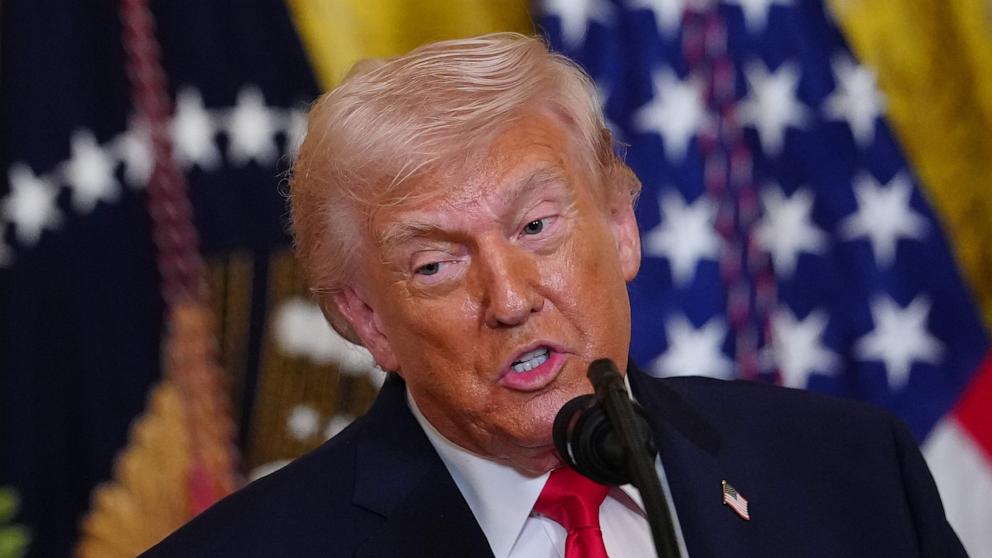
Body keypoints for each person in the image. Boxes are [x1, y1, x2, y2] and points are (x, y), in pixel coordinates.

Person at [144, 33, 966, 557]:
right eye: (435, 266)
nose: (509, 299)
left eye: (537, 226)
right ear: (365, 320)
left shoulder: (852, 472)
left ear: (621, 227)